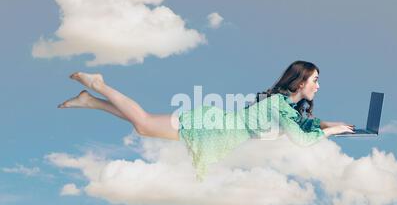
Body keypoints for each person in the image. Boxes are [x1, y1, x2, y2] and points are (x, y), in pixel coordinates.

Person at [58, 60, 355, 180]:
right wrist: (331, 132)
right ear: (301, 81)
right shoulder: (279, 104)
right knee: (144, 122)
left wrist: (330, 125)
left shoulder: (286, 108)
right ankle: (98, 85)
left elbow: (301, 126)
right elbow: (301, 139)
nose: (318, 85)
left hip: (217, 130)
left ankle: (91, 101)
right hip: (212, 126)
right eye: (315, 80)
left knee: (143, 127)